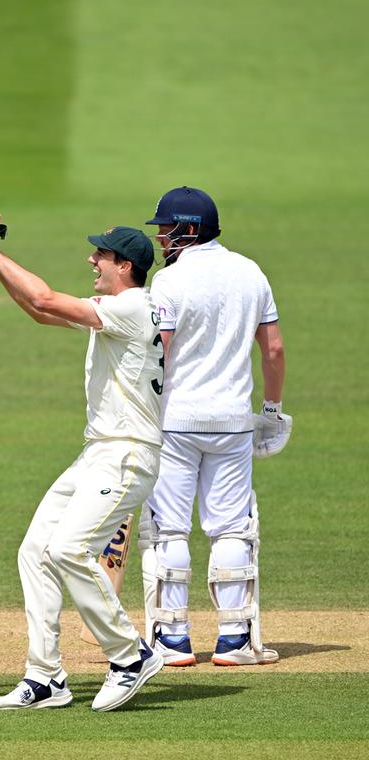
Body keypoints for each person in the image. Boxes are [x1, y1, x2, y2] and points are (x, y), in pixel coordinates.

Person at [0, 212, 165, 712]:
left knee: (69, 551)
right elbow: (39, 312)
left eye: (100, 254)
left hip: (127, 454)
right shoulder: (118, 308)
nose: (92, 260)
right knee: (35, 551)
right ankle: (45, 678)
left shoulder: (133, 306)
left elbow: (43, 298)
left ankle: (130, 655)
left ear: (125, 265)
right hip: (98, 453)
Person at [138, 186, 288, 667]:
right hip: (233, 422)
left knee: (169, 532)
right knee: (231, 530)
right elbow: (274, 350)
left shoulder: (169, 281)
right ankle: (234, 639)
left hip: (176, 421)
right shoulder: (251, 272)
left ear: (188, 229)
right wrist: (271, 410)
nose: (160, 237)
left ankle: (172, 640)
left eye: (165, 228)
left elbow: (156, 350)